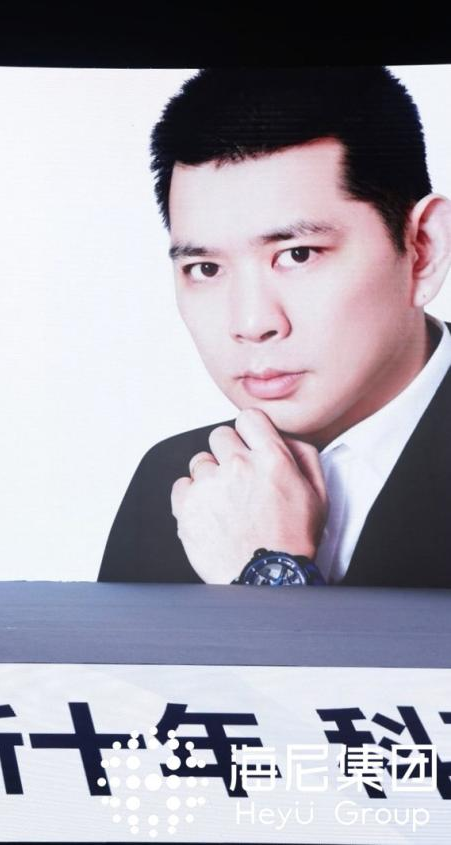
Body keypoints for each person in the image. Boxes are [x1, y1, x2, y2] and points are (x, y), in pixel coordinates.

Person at [99, 67, 451, 587]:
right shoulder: (175, 479)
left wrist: (269, 573)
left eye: (298, 255)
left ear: (423, 251)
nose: (251, 323)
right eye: (205, 268)